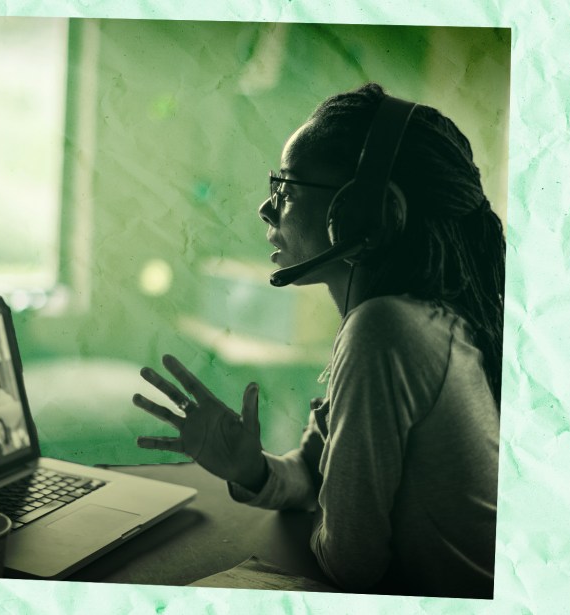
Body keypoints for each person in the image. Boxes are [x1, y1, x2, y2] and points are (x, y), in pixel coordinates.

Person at [133, 83, 503, 598]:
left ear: (359, 215)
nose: (266, 208)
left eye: (286, 188)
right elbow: (313, 470)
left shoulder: (386, 329)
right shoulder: (413, 317)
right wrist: (253, 469)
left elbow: (352, 563)